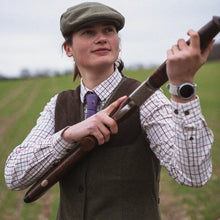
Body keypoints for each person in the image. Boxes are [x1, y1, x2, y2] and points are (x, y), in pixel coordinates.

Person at [5, 2, 214, 220]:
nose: (102, 38)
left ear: (118, 43)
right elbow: (14, 176)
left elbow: (193, 176)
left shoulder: (148, 100)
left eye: (108, 30)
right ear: (68, 48)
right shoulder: (57, 105)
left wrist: (183, 88)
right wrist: (68, 135)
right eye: (88, 32)